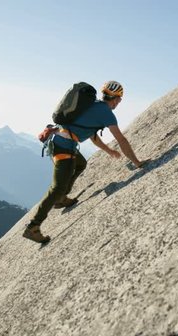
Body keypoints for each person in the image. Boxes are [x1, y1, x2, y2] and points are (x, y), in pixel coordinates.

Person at [23, 80, 148, 243]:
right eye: (120, 99)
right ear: (117, 99)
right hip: (63, 147)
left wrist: (109, 151)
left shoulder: (93, 105)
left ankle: (61, 198)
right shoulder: (106, 112)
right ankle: (33, 226)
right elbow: (121, 139)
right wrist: (137, 162)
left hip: (60, 141)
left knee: (81, 164)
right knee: (57, 187)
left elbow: (92, 135)